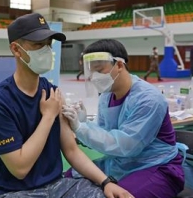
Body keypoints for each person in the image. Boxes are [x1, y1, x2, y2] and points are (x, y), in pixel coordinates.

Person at [0, 13, 134, 198]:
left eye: (48, 44)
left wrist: (106, 182)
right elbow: (20, 168)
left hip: (56, 186)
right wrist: (47, 116)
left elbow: (71, 150)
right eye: (38, 45)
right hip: (13, 192)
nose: (46, 50)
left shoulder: (52, 91)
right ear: (16, 49)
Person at [62, 39, 185, 198]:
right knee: (69, 178)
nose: (94, 77)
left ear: (119, 65)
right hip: (121, 163)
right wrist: (85, 122)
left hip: (156, 166)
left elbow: (127, 146)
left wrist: (81, 128)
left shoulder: (148, 99)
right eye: (91, 72)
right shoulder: (107, 96)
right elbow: (106, 135)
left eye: (99, 69)